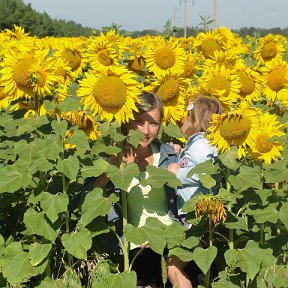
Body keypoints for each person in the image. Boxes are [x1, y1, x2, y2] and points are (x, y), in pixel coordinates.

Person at [92, 91, 179, 288]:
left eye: (153, 123)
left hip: (170, 246)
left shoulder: (170, 156)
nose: (146, 131)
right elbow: (89, 195)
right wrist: (114, 166)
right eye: (139, 122)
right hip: (131, 251)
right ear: (127, 121)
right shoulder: (112, 158)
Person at [166, 94, 224, 288]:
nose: (181, 118)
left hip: (197, 217)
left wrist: (177, 173)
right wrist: (179, 151)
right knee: (194, 269)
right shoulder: (195, 144)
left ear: (195, 120)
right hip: (194, 216)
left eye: (186, 115)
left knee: (173, 269)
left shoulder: (201, 144)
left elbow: (208, 172)